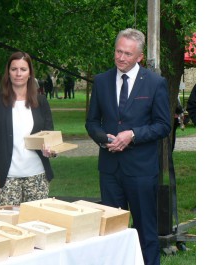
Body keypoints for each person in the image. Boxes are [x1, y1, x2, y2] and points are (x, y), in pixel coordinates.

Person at [85, 28, 171, 265]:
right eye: (118, 51)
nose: (121, 57)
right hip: (110, 171)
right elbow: (92, 122)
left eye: (127, 54)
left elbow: (164, 125)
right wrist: (104, 138)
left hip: (142, 171)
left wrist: (132, 135)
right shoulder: (101, 81)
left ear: (140, 57)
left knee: (146, 231)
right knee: (112, 232)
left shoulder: (155, 83)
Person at [0, 51, 56, 206]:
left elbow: (50, 135)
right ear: (8, 73)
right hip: (7, 178)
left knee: (37, 224)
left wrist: (50, 150)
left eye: (23, 69)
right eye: (14, 69)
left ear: (30, 73)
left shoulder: (41, 102)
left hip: (37, 176)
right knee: (9, 226)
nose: (18, 73)